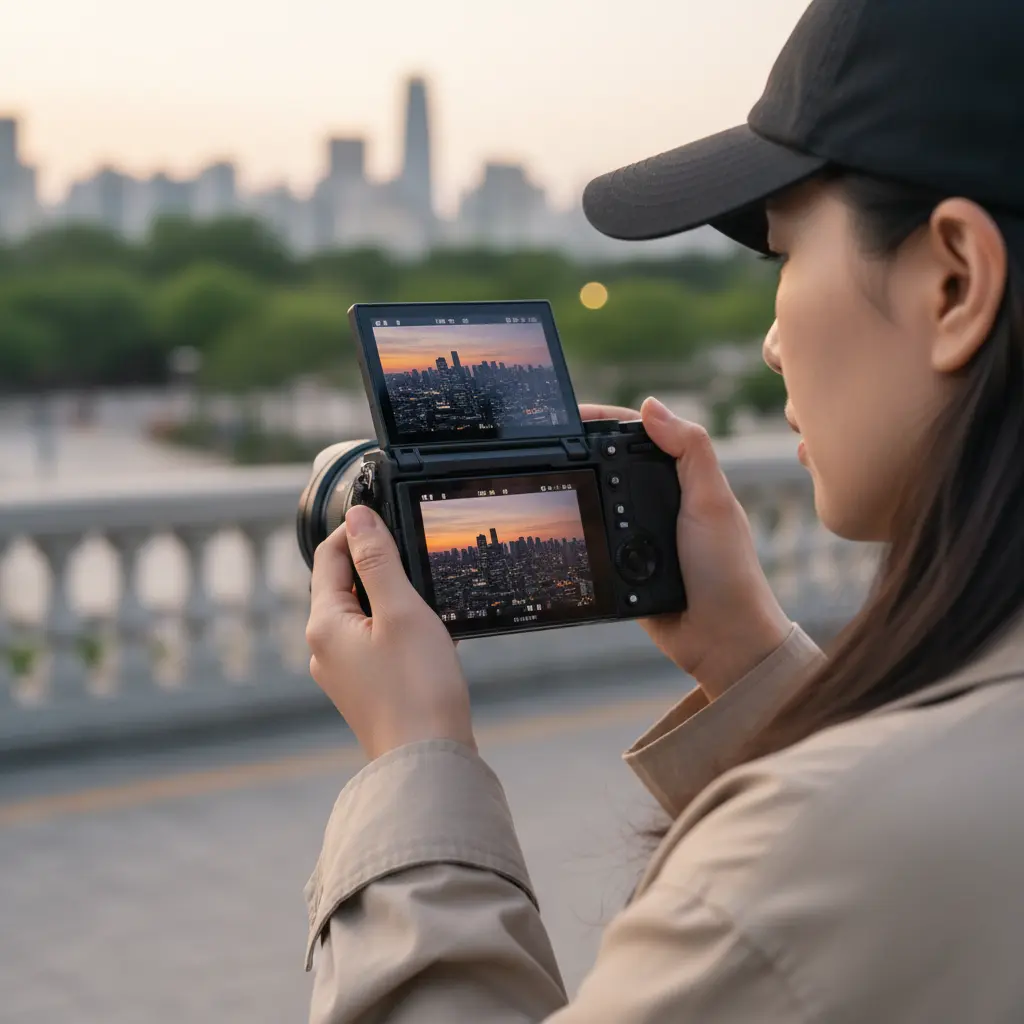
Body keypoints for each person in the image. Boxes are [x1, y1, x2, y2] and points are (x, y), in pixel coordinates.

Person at [302, 0, 1024, 1019]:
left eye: (782, 254)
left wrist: (416, 761)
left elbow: (866, 849)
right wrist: (749, 658)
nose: (771, 342)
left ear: (953, 281)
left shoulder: (807, 862)